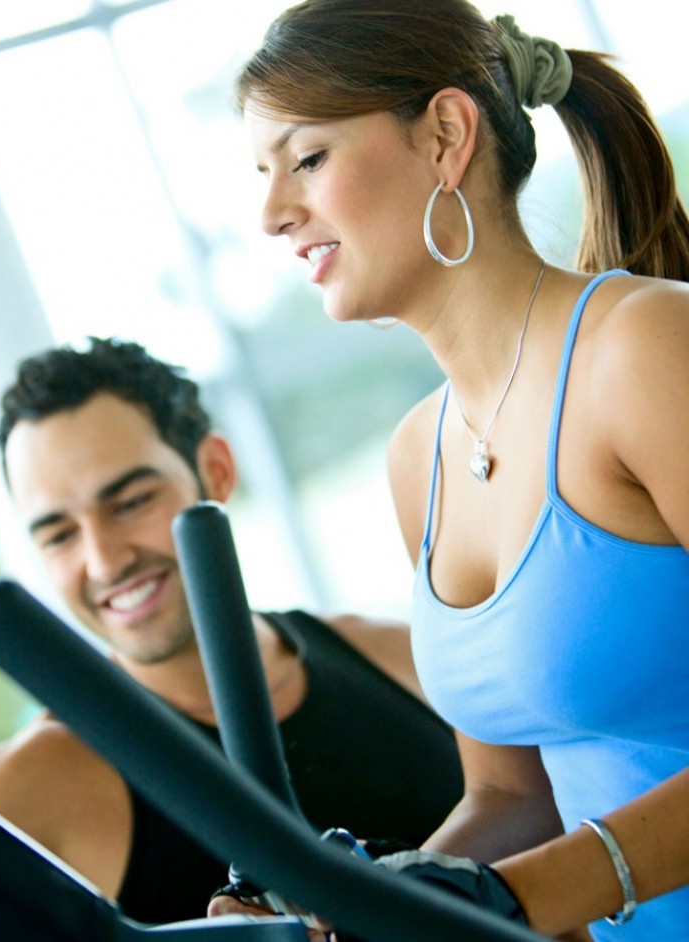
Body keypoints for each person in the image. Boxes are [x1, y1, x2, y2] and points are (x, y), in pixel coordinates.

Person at [212, 1, 689, 939]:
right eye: (263, 176)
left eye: (306, 159)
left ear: (444, 135)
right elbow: (515, 794)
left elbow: (539, 878)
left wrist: (530, 897)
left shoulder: (644, 348)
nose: (272, 215)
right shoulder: (416, 457)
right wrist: (358, 903)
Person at [0, 336, 464, 926]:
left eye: (131, 502)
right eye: (59, 535)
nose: (103, 561)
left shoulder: (397, 656)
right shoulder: (33, 784)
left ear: (216, 471)